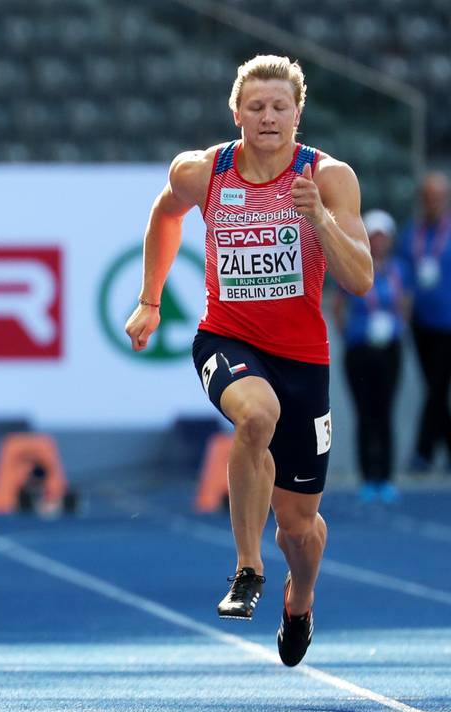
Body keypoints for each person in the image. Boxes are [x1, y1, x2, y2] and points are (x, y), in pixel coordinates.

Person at [124, 55, 372, 667]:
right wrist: (150, 299)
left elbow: (361, 278)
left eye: (279, 107)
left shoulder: (330, 177)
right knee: (255, 415)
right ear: (237, 113)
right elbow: (164, 215)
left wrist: (317, 218)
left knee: (300, 528)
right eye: (255, 107)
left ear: (298, 113)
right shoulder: (204, 171)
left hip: (304, 358)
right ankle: (246, 567)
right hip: (226, 338)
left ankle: (301, 598)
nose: (268, 117)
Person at [335, 209, 409, 503]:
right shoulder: (354, 262)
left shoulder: (399, 269)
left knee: (385, 411)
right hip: (360, 348)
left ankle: (386, 477)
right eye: (373, 236)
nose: (378, 242)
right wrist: (351, 334)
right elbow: (339, 305)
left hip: (388, 347)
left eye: (383, 237)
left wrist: (396, 327)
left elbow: (405, 302)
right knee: (364, 413)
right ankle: (368, 477)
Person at [399, 172, 451, 475]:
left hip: (448, 323)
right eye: (428, 197)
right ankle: (433, 449)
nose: (432, 203)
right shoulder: (412, 234)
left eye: (438, 197)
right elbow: (401, 276)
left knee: (436, 386)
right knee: (434, 387)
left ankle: (423, 451)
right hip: (422, 324)